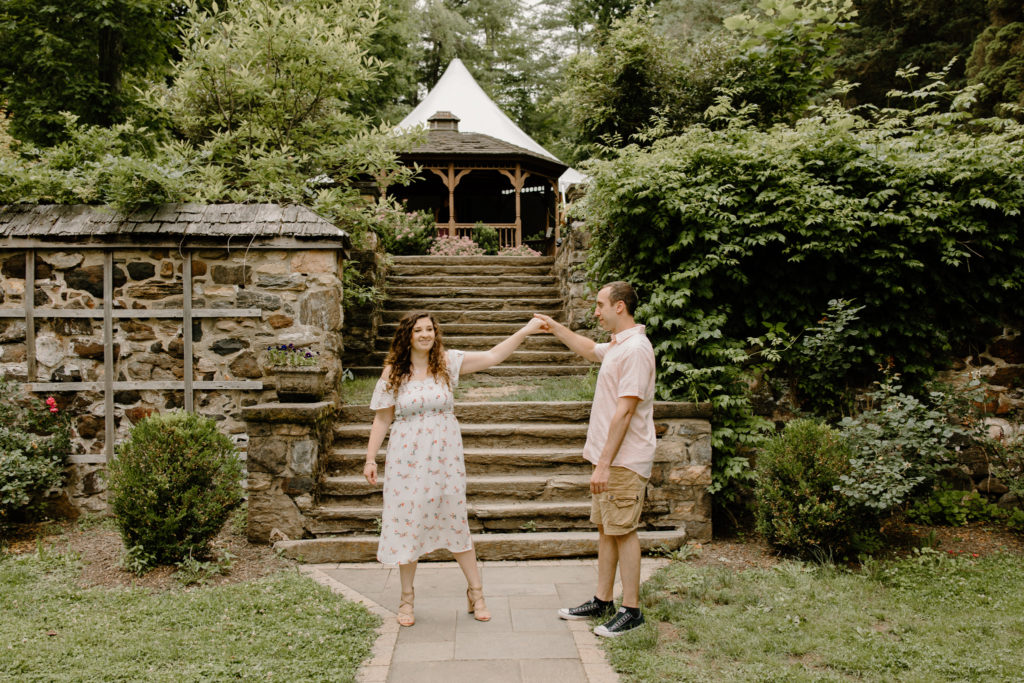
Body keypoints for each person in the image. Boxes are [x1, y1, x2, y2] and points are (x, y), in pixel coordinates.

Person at [363, 310, 545, 627]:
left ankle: (476, 593)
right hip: (406, 462)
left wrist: (526, 331)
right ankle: (406, 600)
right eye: (418, 330)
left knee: (456, 521)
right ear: (407, 335)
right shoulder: (394, 372)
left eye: (429, 329)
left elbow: (492, 356)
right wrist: (369, 458)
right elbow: (382, 418)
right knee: (408, 525)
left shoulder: (447, 362)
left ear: (436, 333)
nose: (425, 334)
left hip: (444, 459)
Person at [535, 281, 656, 637]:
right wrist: (555, 327)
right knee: (607, 529)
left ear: (620, 306)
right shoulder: (620, 345)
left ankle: (631, 610)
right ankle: (602, 601)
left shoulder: (636, 349)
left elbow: (626, 412)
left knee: (624, 530)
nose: (596, 311)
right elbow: (589, 350)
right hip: (609, 457)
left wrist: (604, 464)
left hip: (623, 458)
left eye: (601, 305)